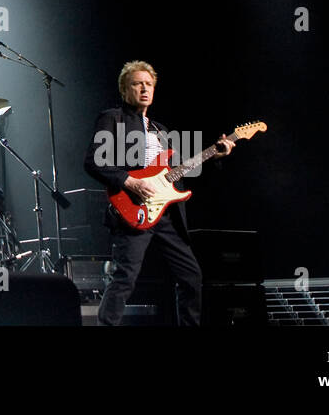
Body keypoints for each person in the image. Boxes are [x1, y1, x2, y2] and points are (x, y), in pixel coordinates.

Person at [83, 61, 232, 325]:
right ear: (124, 90)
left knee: (191, 277)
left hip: (167, 215)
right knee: (125, 277)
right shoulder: (112, 118)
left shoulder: (160, 130)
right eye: (137, 84)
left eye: (148, 84)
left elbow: (182, 172)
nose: (144, 89)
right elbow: (94, 161)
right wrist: (131, 183)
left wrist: (215, 155)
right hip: (133, 208)